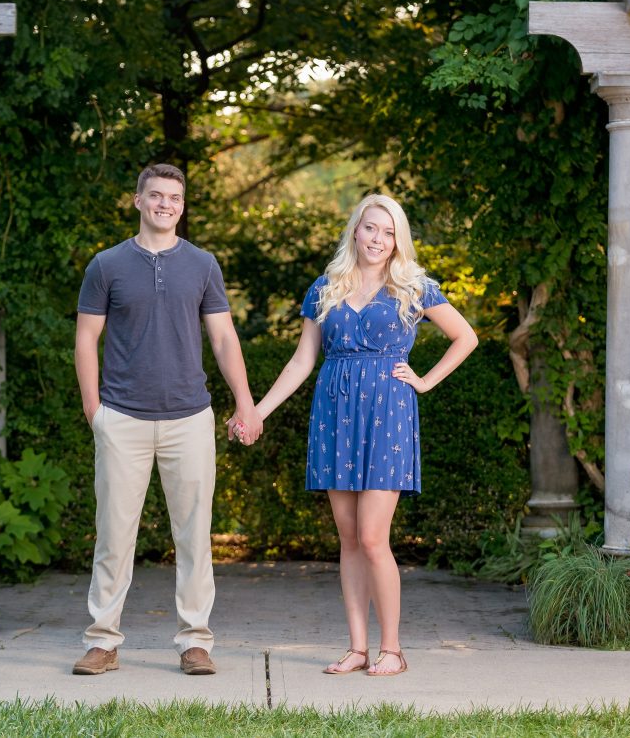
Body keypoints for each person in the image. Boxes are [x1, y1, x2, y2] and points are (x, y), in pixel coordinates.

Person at [230, 193, 477, 676]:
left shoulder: (414, 286)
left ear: (397, 240)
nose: (379, 240)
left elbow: (465, 336)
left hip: (390, 412)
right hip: (334, 413)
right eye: (371, 229)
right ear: (355, 231)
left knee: (371, 537)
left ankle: (393, 649)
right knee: (347, 538)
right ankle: (358, 648)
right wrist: (257, 410)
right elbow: (303, 360)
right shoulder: (326, 287)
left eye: (389, 233)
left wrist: (425, 381)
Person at [73, 163, 263, 677]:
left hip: (190, 418)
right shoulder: (107, 265)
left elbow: (224, 339)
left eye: (174, 198)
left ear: (182, 205)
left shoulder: (202, 265)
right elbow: (87, 338)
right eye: (155, 195)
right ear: (137, 201)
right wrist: (95, 411)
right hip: (122, 418)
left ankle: (195, 642)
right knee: (113, 534)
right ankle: (103, 641)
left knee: (195, 536)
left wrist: (245, 402)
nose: (165, 204)